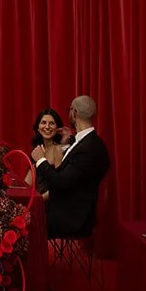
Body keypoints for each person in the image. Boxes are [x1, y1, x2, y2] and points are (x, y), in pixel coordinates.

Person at [32, 94, 110, 238]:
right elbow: (77, 171)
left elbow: (61, 181)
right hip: (69, 211)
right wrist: (68, 142)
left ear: (73, 113)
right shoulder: (89, 143)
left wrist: (40, 160)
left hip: (71, 219)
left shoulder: (88, 148)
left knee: (24, 222)